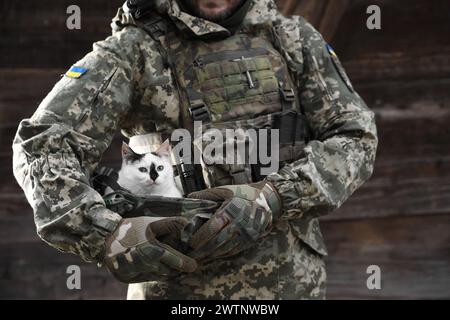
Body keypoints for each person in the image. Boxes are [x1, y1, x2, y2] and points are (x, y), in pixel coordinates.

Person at [12, 0, 378, 299]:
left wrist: (275, 197)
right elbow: (42, 147)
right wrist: (104, 234)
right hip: (178, 291)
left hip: (293, 288)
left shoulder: (292, 39)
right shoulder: (134, 51)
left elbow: (355, 137)